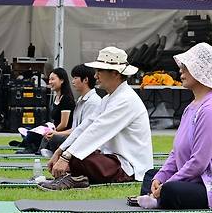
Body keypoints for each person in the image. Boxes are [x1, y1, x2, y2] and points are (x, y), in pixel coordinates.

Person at [136, 43, 212, 209]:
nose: (181, 71)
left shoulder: (210, 110)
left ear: (201, 71)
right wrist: (160, 177)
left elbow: (199, 162)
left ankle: (157, 197)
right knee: (151, 175)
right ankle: (157, 195)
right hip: (195, 179)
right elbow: (176, 152)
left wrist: (167, 184)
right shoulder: (192, 106)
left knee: (171, 188)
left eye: (186, 67)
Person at [39, 46, 152, 190]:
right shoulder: (109, 98)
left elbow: (97, 130)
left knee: (76, 157)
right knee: (69, 149)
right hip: (111, 158)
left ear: (115, 73)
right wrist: (60, 151)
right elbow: (86, 126)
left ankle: (76, 177)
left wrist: (66, 157)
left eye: (100, 71)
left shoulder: (125, 100)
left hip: (128, 166)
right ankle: (76, 176)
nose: (96, 76)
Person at [39, 64, 101, 156]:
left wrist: (57, 133)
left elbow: (84, 131)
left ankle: (56, 151)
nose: (72, 81)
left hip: (86, 142)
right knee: (51, 136)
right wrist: (56, 133)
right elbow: (75, 129)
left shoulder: (93, 102)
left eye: (75, 78)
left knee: (55, 138)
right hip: (76, 137)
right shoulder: (81, 100)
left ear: (85, 80)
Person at [16, 67, 75, 154]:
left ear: (62, 80)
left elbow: (64, 124)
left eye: (53, 79)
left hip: (62, 132)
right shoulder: (57, 97)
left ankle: (31, 144)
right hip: (55, 129)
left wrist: (52, 130)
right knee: (32, 130)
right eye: (49, 79)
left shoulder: (66, 99)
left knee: (37, 134)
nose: (50, 82)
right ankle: (29, 140)